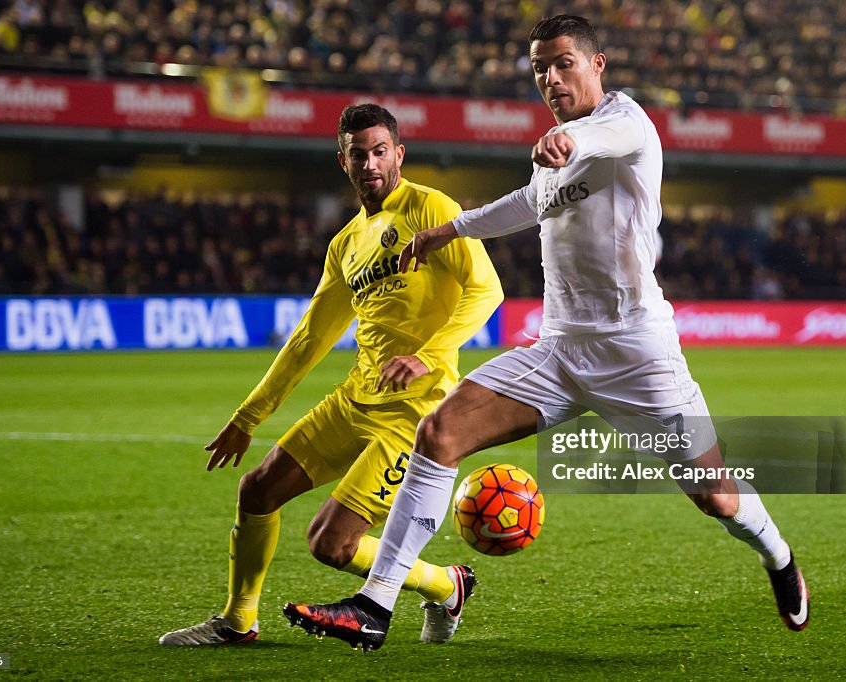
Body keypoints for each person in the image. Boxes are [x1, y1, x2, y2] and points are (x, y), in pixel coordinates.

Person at [283, 15, 810, 651]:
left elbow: (589, 142)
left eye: (564, 63)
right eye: (540, 68)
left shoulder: (626, 124)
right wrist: (448, 231)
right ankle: (376, 605)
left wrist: (560, 144)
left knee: (718, 499)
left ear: (598, 64)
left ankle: (779, 557)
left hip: (637, 353)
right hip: (557, 350)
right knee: (439, 432)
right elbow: (528, 203)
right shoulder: (562, 147)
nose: (551, 78)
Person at [159, 103, 503, 646]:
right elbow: (308, 338)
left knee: (331, 545)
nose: (370, 163)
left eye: (380, 151)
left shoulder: (430, 207)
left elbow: (487, 290)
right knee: (257, 491)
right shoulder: (346, 245)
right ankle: (237, 621)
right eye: (358, 153)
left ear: (399, 153)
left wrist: (429, 354)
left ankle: (443, 584)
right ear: (341, 160)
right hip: (355, 399)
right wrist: (248, 416)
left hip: (414, 412)